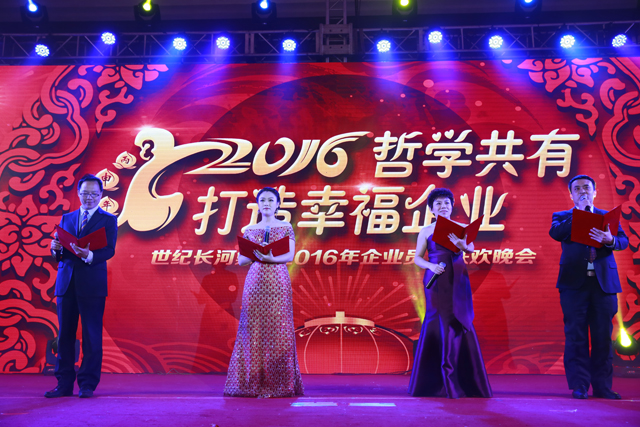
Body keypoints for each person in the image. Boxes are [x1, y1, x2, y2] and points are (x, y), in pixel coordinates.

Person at [549, 174, 628, 400]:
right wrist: (580, 214)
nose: (582, 191)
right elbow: (556, 233)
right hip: (574, 285)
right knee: (576, 335)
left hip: (603, 285)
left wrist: (610, 240)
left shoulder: (607, 216)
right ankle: (580, 385)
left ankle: (602, 387)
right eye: (577, 189)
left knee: (603, 337)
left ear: (595, 192)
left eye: (586, 188)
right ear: (571, 194)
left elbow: (623, 241)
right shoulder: (562, 217)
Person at [408, 188, 492, 399]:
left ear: (452, 206)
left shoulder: (462, 228)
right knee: (437, 320)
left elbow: (470, 249)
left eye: (446, 203)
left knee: (458, 319)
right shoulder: (426, 231)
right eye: (438, 204)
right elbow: (417, 258)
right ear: (431, 209)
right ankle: (434, 383)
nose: (443, 206)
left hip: (458, 279)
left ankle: (463, 381)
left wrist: (462, 245)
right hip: (436, 280)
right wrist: (431, 266)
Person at [224, 187, 304, 398]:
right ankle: (250, 383)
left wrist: (270, 257)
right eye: (263, 200)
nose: (266, 203)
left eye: (270, 200)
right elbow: (242, 260)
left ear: (277, 204)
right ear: (258, 205)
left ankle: (280, 384)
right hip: (256, 280)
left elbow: (289, 256)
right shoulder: (250, 229)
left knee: (278, 328)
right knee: (253, 328)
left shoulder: (285, 226)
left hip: (277, 280)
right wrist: (257, 250)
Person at [45, 174, 118, 398]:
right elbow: (60, 253)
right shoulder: (67, 218)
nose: (89, 198)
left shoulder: (108, 220)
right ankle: (63, 384)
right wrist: (55, 249)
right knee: (64, 335)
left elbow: (109, 250)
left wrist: (89, 255)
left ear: (101, 195)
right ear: (78, 193)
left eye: (94, 194)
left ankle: (87, 384)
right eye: (85, 193)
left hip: (92, 284)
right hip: (66, 283)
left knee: (91, 335)